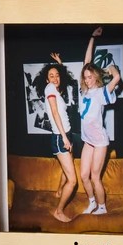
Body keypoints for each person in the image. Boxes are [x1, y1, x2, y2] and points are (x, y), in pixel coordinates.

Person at [36, 59, 79, 223]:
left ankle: (59, 192)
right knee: (72, 181)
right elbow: (55, 113)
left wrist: (60, 65)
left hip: (65, 134)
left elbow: (64, 81)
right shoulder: (49, 89)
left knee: (67, 168)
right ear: (47, 80)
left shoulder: (55, 90)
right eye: (51, 76)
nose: (55, 78)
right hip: (61, 137)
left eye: (57, 75)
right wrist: (64, 137)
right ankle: (58, 211)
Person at [75, 54, 115, 219]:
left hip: (99, 141)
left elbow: (117, 77)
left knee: (94, 176)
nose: (87, 80)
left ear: (96, 77)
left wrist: (109, 69)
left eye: (90, 77)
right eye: (85, 78)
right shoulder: (83, 91)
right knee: (84, 176)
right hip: (88, 140)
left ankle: (102, 207)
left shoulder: (100, 92)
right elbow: (86, 61)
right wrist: (91, 40)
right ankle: (92, 202)